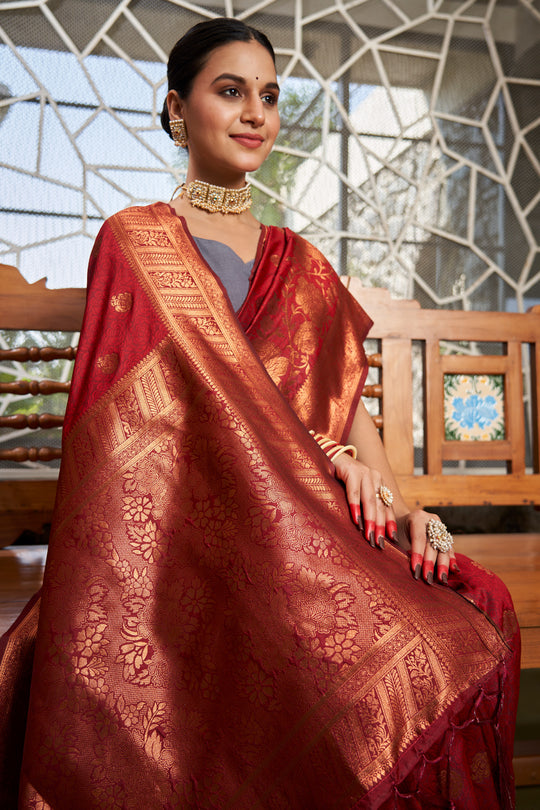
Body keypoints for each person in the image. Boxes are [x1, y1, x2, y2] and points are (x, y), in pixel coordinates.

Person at [0, 17, 519, 809]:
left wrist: (406, 508)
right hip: (185, 544)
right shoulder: (136, 242)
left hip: (314, 524)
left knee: (461, 619)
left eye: (270, 97)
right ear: (177, 110)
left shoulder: (302, 261)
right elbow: (144, 435)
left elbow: (347, 411)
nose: (255, 115)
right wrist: (316, 461)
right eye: (230, 91)